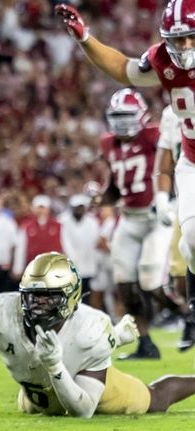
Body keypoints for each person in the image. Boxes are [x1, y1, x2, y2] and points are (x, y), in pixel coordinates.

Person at [56, 0, 195, 327]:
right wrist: (85, 38)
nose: (186, 46)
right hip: (192, 160)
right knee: (192, 239)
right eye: (179, 39)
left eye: (192, 37)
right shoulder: (163, 59)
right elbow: (124, 69)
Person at [0, 252, 195, 418]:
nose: (37, 303)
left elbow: (84, 410)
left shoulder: (91, 328)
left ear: (71, 296)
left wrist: (55, 366)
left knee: (155, 399)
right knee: (39, 399)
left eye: (48, 296)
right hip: (37, 400)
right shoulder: (3, 315)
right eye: (32, 294)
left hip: (88, 392)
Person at [95, 89, 164, 360]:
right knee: (124, 284)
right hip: (128, 217)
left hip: (156, 216)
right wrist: (102, 199)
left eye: (127, 115)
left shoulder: (154, 136)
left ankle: (187, 316)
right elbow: (115, 185)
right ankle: (145, 342)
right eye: (118, 116)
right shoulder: (108, 144)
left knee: (150, 281)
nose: (122, 123)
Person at [155, 104, 195, 350]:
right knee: (183, 259)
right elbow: (164, 162)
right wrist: (161, 199)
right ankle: (192, 314)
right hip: (186, 200)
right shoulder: (172, 113)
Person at [58, 194, 100, 305]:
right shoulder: (63, 220)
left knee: (86, 295)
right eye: (76, 207)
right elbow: (64, 241)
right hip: (69, 264)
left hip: (88, 263)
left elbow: (94, 242)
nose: (79, 210)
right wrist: (71, 257)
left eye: (81, 207)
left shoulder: (92, 222)